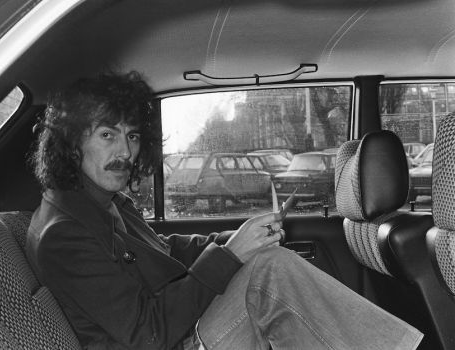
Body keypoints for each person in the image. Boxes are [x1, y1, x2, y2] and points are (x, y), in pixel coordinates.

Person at [26, 71, 423, 350]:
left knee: (264, 259)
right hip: (171, 341)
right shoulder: (64, 233)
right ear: (71, 143)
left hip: (184, 331)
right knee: (267, 272)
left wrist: (233, 240)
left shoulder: (105, 204)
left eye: (131, 136)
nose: (124, 152)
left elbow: (164, 250)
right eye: (107, 134)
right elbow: (148, 335)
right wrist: (231, 255)